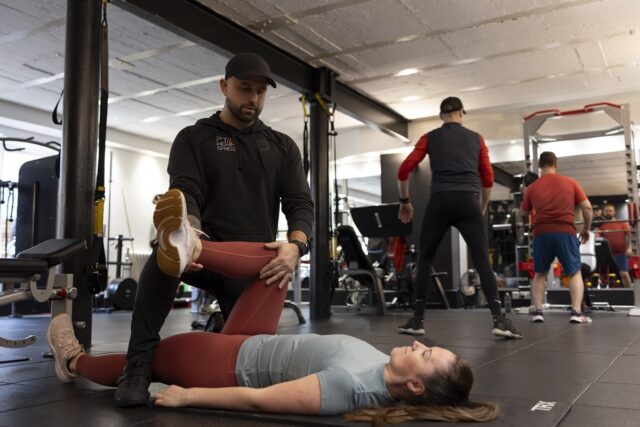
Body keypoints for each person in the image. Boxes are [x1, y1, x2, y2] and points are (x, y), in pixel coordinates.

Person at [47, 190, 499, 424]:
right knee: (282, 257)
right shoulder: (384, 370)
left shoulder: (347, 390)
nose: (418, 343)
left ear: (417, 387)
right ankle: (189, 250)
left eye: (425, 354)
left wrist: (189, 397)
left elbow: (258, 401)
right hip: (252, 338)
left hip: (222, 367)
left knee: (141, 364)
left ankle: (74, 360)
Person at [115, 53, 314, 407]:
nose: (253, 98)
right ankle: (138, 365)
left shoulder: (282, 147)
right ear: (224, 86)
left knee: (238, 370)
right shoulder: (193, 138)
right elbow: (186, 190)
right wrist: (189, 234)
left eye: (260, 92)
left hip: (253, 268)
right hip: (203, 255)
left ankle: (221, 326)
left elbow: (300, 202)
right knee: (166, 256)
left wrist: (296, 245)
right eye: (244, 88)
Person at [396, 96, 521, 339]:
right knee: (482, 261)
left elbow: (404, 169)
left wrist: (405, 201)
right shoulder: (477, 139)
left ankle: (417, 321)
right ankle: (499, 320)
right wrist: (481, 207)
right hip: (468, 202)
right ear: (462, 113)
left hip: (440, 201)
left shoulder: (430, 136)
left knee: (425, 260)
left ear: (441, 115)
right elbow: (487, 178)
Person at [520, 151, 593, 323]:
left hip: (541, 234)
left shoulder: (532, 188)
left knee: (539, 274)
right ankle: (576, 313)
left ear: (539, 165)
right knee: (574, 273)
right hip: (565, 232)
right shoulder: (570, 182)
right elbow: (587, 208)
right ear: (556, 164)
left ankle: (537, 311)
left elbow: (523, 213)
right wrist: (586, 230)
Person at [597, 203, 633, 288]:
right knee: (605, 276)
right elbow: (597, 237)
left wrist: (629, 248)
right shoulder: (601, 225)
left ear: (614, 212)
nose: (608, 213)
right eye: (606, 211)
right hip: (607, 256)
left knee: (624, 274)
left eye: (610, 211)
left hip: (620, 254)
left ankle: (630, 294)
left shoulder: (622, 223)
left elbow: (628, 236)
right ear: (603, 213)